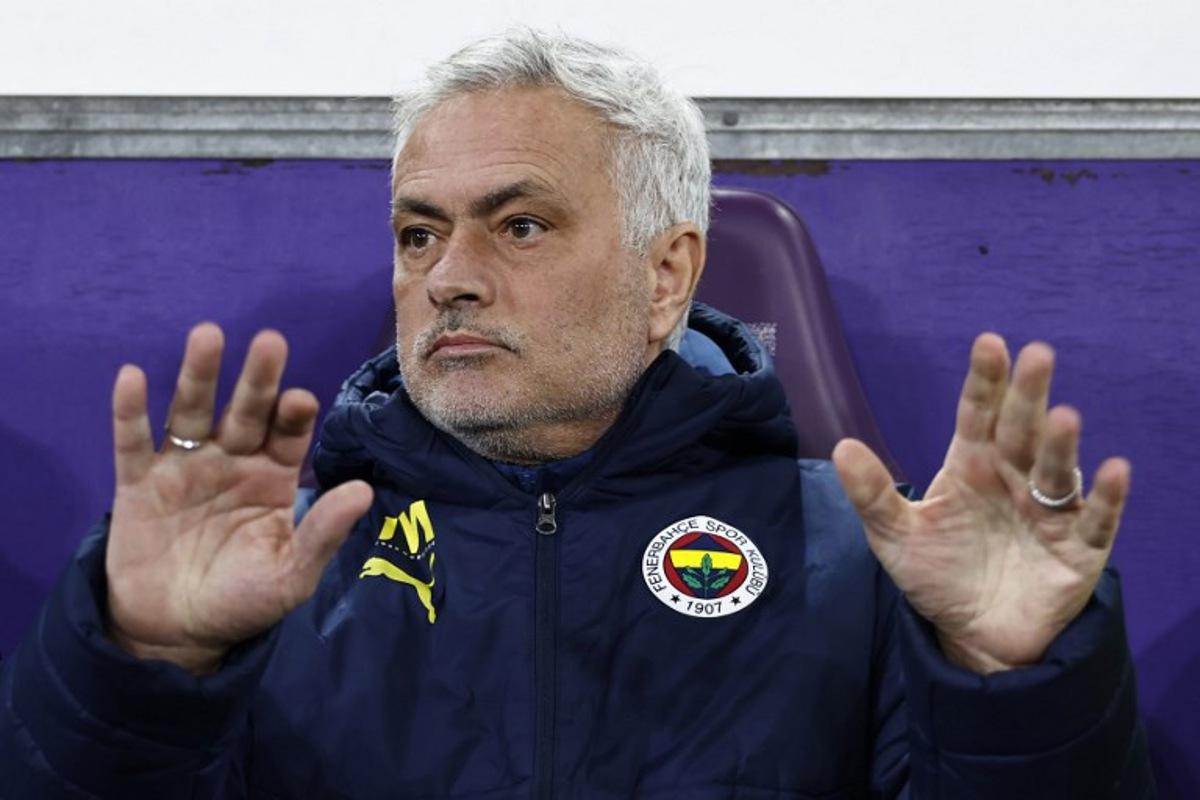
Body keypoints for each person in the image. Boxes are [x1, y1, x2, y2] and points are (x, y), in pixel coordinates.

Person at [0, 29, 1155, 800]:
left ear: (667, 275)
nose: (448, 276)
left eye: (520, 225)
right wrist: (143, 666)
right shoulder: (268, 567)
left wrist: (1013, 684)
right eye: (418, 232)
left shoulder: (860, 563)